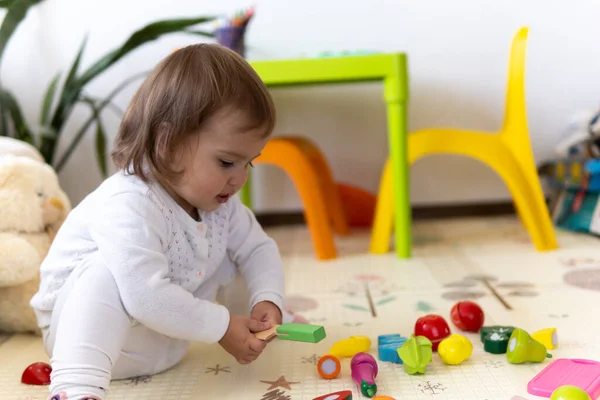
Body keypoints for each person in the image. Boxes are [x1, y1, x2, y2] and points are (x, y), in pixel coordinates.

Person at [30, 43, 289, 400]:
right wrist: (222, 325)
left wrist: (268, 301)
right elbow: (144, 297)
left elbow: (259, 248)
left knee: (237, 255)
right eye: (227, 162)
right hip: (82, 340)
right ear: (168, 143)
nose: (240, 178)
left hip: (163, 346)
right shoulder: (129, 201)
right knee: (107, 271)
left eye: (250, 162)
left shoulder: (221, 205)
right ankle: (76, 391)